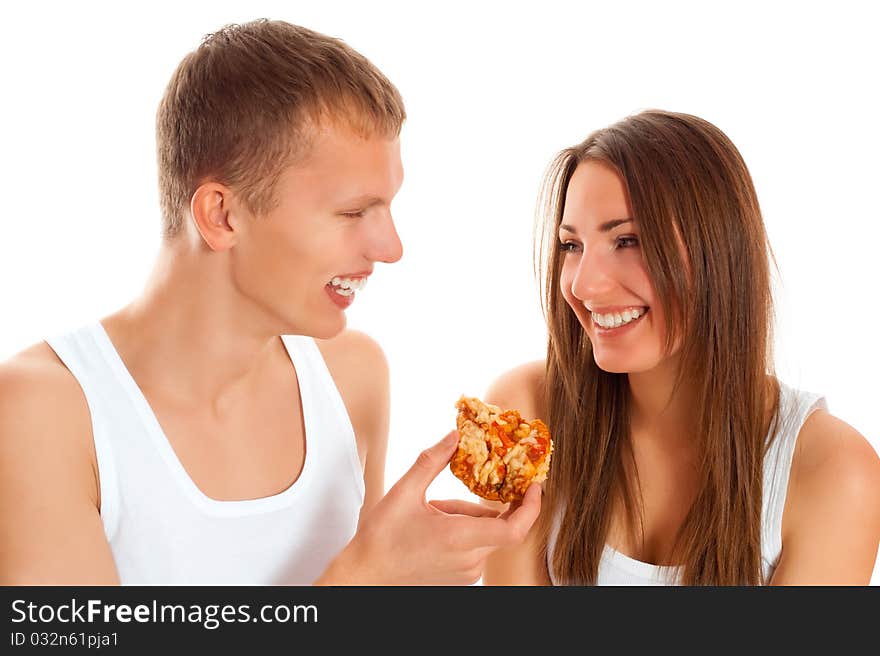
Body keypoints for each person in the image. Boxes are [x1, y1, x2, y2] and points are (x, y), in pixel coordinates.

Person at [0, 19, 540, 585]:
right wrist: (367, 580)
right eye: (354, 212)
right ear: (222, 215)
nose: (392, 248)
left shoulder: (352, 379)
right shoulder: (44, 414)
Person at [481, 110, 880, 585]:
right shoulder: (525, 416)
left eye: (627, 240)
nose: (583, 284)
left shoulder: (834, 472)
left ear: (718, 252)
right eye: (572, 246)